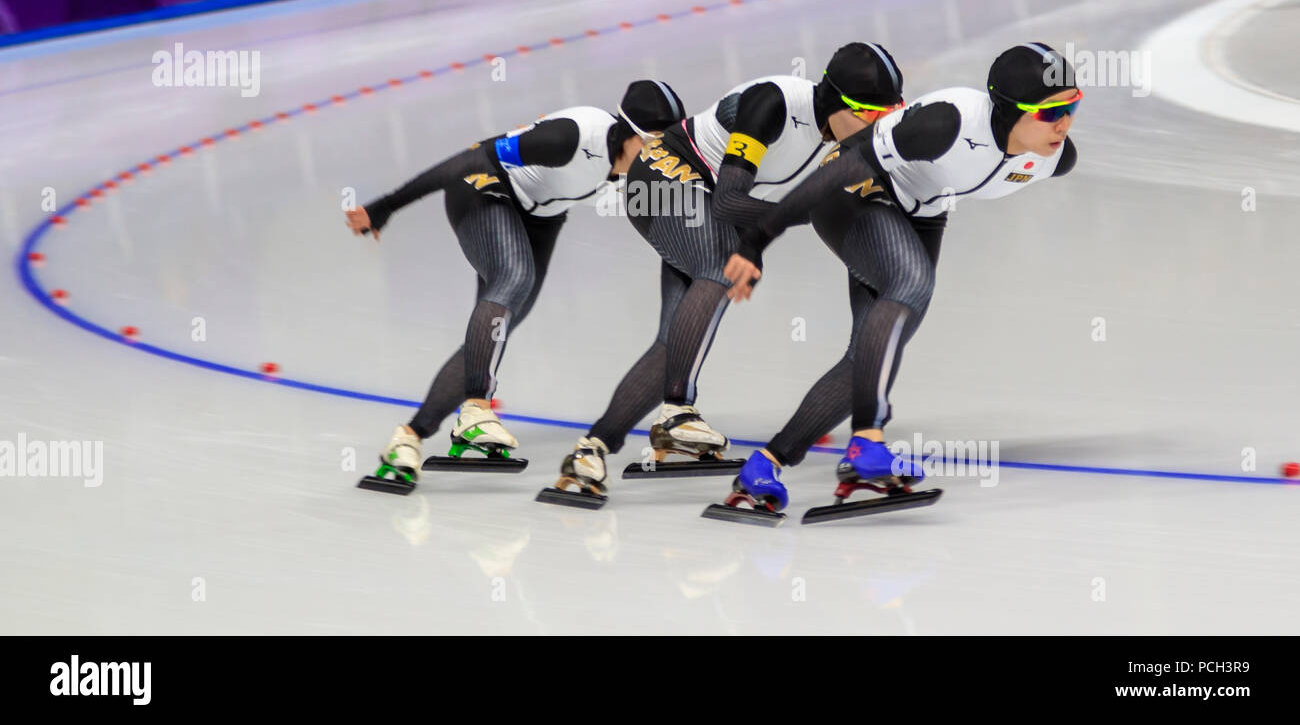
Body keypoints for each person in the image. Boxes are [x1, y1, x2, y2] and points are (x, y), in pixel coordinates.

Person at [715, 42, 1081, 520]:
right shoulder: (946, 122)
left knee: (870, 359)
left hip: (926, 215)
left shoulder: (1055, 157)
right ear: (1011, 109)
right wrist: (757, 239)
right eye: (1051, 111)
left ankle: (763, 468)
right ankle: (867, 444)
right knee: (910, 284)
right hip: (854, 190)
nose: (1065, 123)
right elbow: (842, 166)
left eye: (1073, 106)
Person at [545, 43, 906, 504]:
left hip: (704, 203)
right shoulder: (772, 106)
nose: (876, 127)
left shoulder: (842, 134)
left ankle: (589, 451)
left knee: (674, 338)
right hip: (659, 182)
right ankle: (675, 411)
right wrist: (806, 212)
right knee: (718, 271)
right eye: (868, 114)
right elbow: (731, 202)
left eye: (886, 116)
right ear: (838, 102)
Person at [348, 80, 686, 492]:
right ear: (629, 133)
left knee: (503, 320)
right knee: (515, 277)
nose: (663, 152)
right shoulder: (572, 138)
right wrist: (385, 206)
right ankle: (475, 408)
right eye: (655, 142)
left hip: (541, 213)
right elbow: (469, 159)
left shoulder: (638, 161)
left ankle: (408, 438)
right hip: (481, 186)